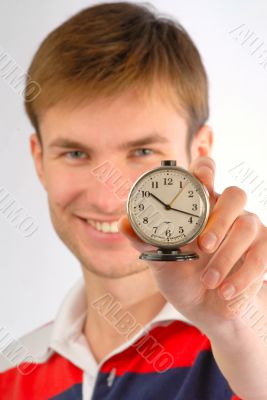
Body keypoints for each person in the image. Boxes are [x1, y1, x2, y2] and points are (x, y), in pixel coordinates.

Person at [0, 2, 267, 399]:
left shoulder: (247, 340)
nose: (110, 198)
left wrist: (234, 329)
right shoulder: (10, 375)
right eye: (75, 154)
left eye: (142, 152)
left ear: (199, 152)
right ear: (39, 160)